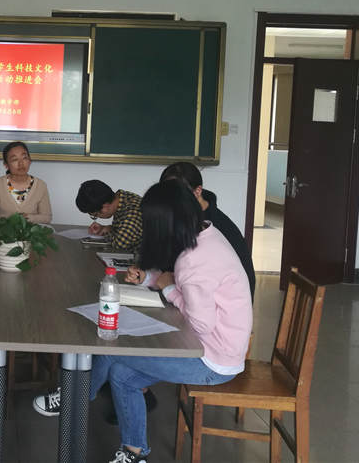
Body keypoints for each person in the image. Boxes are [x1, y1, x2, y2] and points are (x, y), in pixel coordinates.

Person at [93, 180, 252, 463]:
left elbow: (201, 323)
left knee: (110, 348)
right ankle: (134, 452)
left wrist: (167, 289)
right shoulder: (206, 235)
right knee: (121, 375)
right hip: (212, 345)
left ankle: (74, 396)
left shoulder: (194, 259)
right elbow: (186, 286)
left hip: (212, 358)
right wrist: (150, 278)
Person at [160, 161, 256, 300]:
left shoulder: (211, 228)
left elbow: (193, 278)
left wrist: (168, 284)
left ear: (197, 191)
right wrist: (146, 274)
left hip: (221, 305)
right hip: (195, 294)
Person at [0, 141, 52, 223]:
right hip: (4, 230)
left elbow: (47, 217)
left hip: (31, 230)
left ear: (30, 161)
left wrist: (29, 218)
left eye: (24, 158)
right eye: (14, 159)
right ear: (6, 165)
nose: (21, 163)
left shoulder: (41, 186)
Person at [75, 179, 142, 251]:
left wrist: (105, 233)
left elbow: (119, 244)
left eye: (95, 215)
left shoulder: (133, 211)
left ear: (105, 206)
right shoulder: (123, 198)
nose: (97, 217)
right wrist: (107, 228)